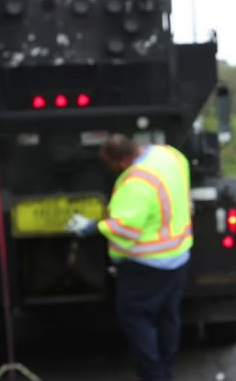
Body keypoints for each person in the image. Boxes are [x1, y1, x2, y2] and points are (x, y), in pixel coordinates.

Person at [66, 134, 193, 381]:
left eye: (110, 165)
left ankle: (153, 376)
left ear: (122, 161)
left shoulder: (135, 184)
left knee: (138, 320)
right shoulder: (168, 154)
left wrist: (91, 227)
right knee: (168, 316)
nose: (110, 170)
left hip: (146, 265)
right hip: (178, 256)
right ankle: (166, 370)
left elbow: (125, 229)